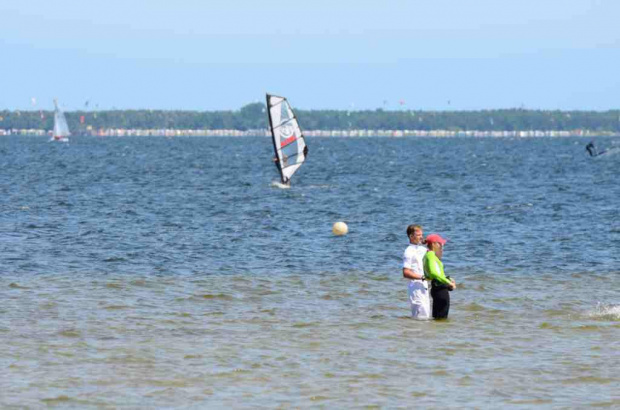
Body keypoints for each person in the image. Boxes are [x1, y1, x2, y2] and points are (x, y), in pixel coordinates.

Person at [423, 234, 456, 319]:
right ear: (434, 244)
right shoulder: (430, 255)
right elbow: (434, 273)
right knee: (442, 318)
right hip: (440, 290)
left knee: (438, 317)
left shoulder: (427, 255)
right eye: (440, 244)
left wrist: (447, 278)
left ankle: (436, 332)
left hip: (437, 288)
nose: (442, 246)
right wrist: (448, 282)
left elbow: (429, 275)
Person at [402, 225, 431, 319]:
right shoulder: (408, 251)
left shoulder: (422, 249)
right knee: (420, 316)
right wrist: (422, 277)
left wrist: (429, 242)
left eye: (422, 235)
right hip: (415, 287)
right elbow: (405, 272)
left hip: (425, 286)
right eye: (418, 235)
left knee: (426, 315)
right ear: (411, 236)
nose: (421, 237)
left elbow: (434, 255)